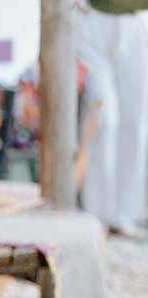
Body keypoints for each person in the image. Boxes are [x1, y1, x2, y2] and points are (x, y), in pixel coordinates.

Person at [75, 0, 148, 238]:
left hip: (135, 18)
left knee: (134, 123)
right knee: (104, 120)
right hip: (90, 18)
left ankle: (122, 215)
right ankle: (96, 214)